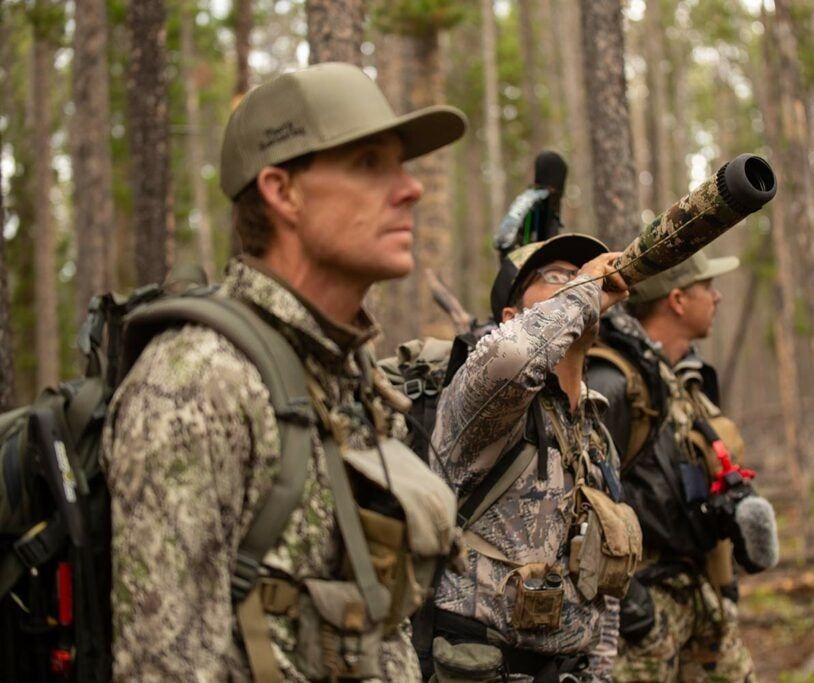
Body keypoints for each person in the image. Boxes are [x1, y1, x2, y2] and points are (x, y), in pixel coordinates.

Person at [102, 62, 467, 681]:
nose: (411, 189)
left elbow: (381, 628)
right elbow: (164, 665)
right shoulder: (199, 382)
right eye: (369, 164)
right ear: (282, 191)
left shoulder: (349, 376)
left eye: (400, 164)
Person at [423, 234, 641, 682]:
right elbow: (515, 354)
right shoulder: (486, 399)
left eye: (579, 273)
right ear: (512, 315)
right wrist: (583, 288)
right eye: (556, 276)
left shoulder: (597, 430)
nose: (580, 282)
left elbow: (603, 586)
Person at [586, 250, 763, 682]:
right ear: (678, 300)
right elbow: (577, 503)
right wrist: (635, 614)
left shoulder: (686, 381)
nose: (718, 297)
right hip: (643, 615)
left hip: (699, 596)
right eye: (707, 288)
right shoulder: (615, 385)